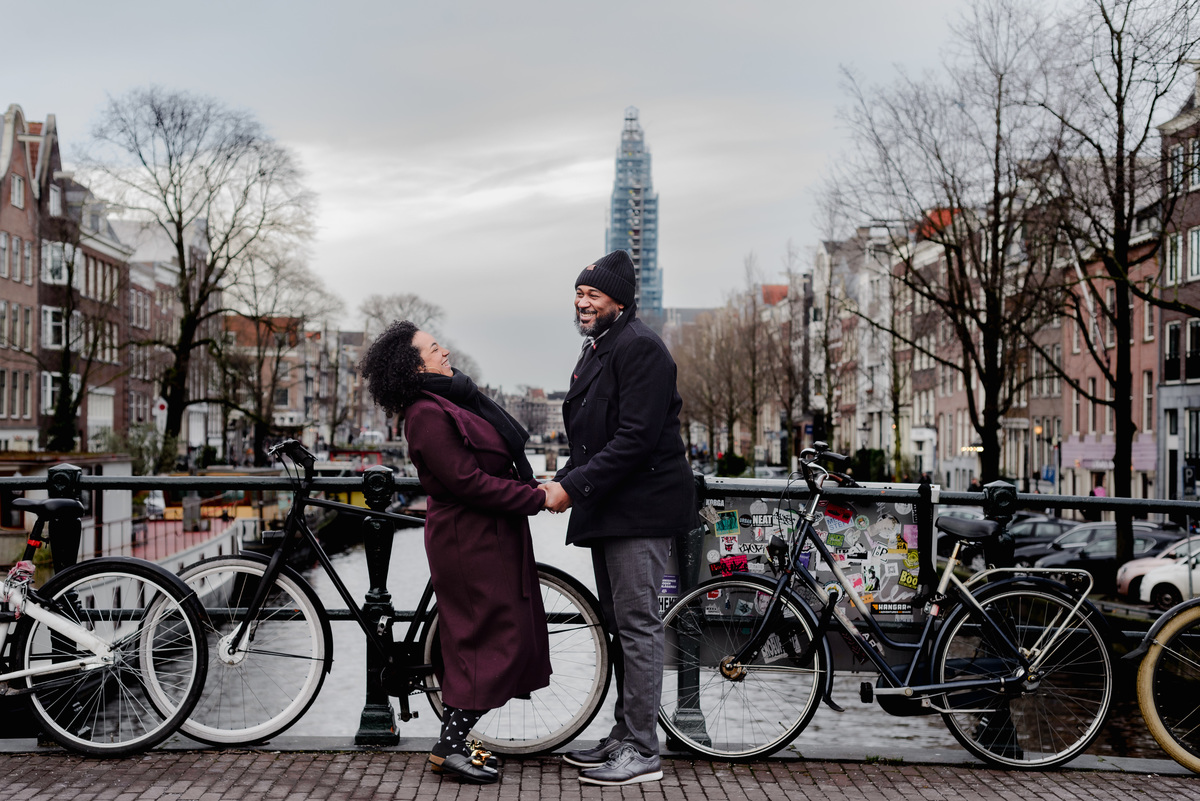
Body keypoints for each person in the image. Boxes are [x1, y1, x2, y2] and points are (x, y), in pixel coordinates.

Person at [358, 321, 551, 785]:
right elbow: (466, 482)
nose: (444, 350)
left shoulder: (451, 399)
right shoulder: (425, 413)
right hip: (469, 542)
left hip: (491, 536)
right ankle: (449, 748)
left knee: (494, 636)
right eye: (432, 347)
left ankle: (458, 740)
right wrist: (538, 498)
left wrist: (530, 490)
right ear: (413, 363)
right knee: (489, 641)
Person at [541, 250, 695, 786]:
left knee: (637, 626)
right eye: (579, 294)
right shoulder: (601, 348)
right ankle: (624, 735)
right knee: (621, 625)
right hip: (614, 507)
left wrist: (572, 486)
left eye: (593, 295)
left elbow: (634, 440)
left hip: (640, 510)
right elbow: (591, 439)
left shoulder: (640, 350)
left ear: (620, 301)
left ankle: (643, 750)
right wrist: (559, 479)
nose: (583, 302)